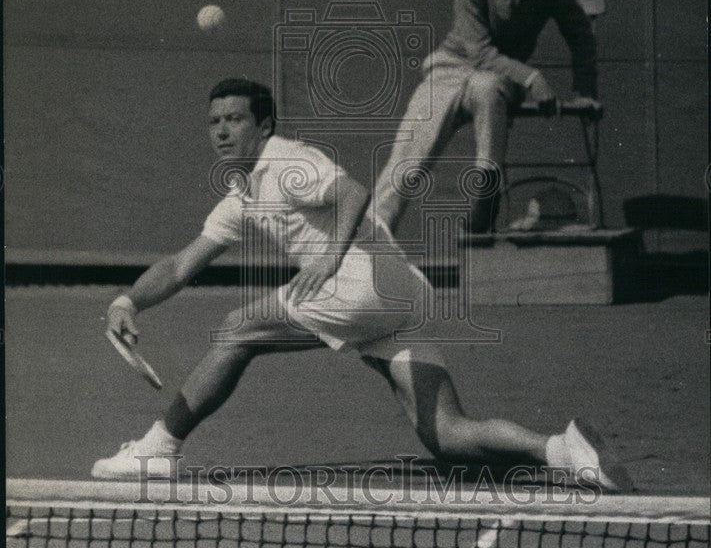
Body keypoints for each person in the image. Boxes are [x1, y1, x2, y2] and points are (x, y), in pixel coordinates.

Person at [92, 77, 628, 491]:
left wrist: (329, 255)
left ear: (265, 125)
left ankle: (157, 448)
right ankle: (565, 451)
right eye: (214, 122)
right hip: (401, 296)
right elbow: (183, 264)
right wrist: (127, 301)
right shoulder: (242, 196)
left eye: (235, 119)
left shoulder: (287, 160)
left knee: (238, 329)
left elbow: (353, 192)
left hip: (359, 286)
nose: (222, 131)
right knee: (446, 435)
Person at [375, 0, 602, 233]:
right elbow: (479, 52)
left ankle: (486, 187)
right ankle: (369, 244)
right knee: (408, 163)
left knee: (488, 88)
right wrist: (532, 78)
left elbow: (579, 34)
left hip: (497, 78)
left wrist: (584, 90)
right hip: (450, 69)